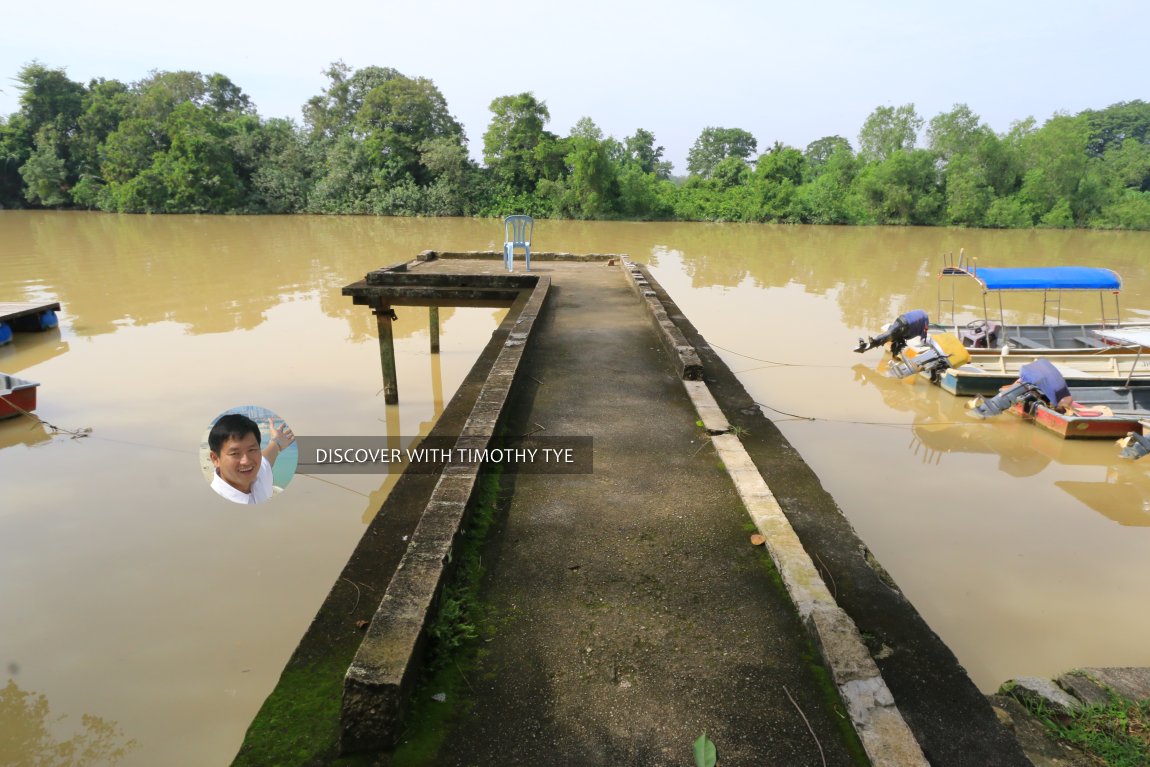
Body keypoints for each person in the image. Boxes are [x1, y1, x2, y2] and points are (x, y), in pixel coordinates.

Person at [208, 413, 295, 504]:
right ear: (215, 459)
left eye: (252, 450)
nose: (246, 461)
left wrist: (277, 442)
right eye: (235, 453)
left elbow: (267, 457)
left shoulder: (259, 473)